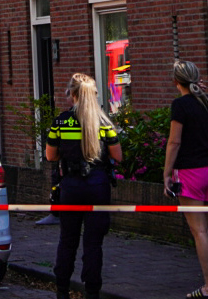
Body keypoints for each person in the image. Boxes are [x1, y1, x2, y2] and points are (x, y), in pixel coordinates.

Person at [45, 73, 122, 299]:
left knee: (68, 239)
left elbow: (50, 156)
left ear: (73, 94)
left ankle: (61, 289)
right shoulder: (104, 122)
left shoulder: (61, 120)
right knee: (93, 242)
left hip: (70, 187)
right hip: (97, 186)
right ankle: (92, 291)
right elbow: (117, 156)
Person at [162, 60, 208, 298]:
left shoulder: (180, 105)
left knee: (198, 231)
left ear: (175, 81)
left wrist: (167, 172)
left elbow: (174, 142)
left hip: (190, 172)